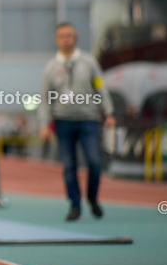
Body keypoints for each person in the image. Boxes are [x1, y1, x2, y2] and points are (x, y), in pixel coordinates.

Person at [38, 22, 116, 221]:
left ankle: (92, 198)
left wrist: (108, 112)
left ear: (75, 38)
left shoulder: (89, 62)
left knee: (95, 162)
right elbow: (45, 100)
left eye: (69, 35)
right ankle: (75, 205)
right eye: (62, 36)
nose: (66, 39)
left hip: (88, 120)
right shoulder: (51, 68)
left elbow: (101, 87)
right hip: (63, 122)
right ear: (57, 40)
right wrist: (44, 125)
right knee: (69, 166)